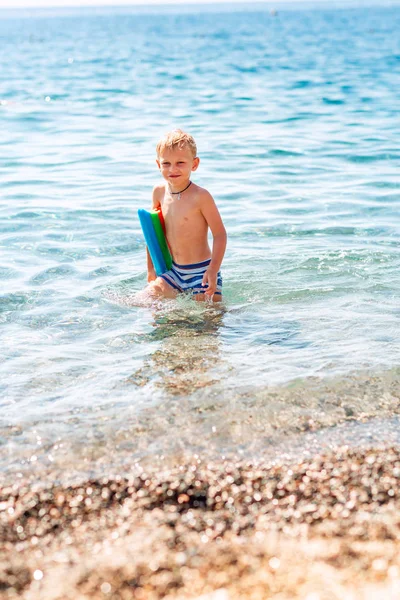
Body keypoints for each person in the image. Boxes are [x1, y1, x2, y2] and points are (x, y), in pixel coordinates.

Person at [146, 129, 227, 302]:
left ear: (194, 164)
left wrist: (213, 270)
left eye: (180, 162)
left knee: (209, 323)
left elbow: (220, 235)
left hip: (202, 273)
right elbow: (152, 233)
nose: (172, 169)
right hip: (174, 273)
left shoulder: (201, 196)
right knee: (145, 302)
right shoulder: (159, 192)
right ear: (158, 164)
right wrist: (151, 270)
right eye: (166, 163)